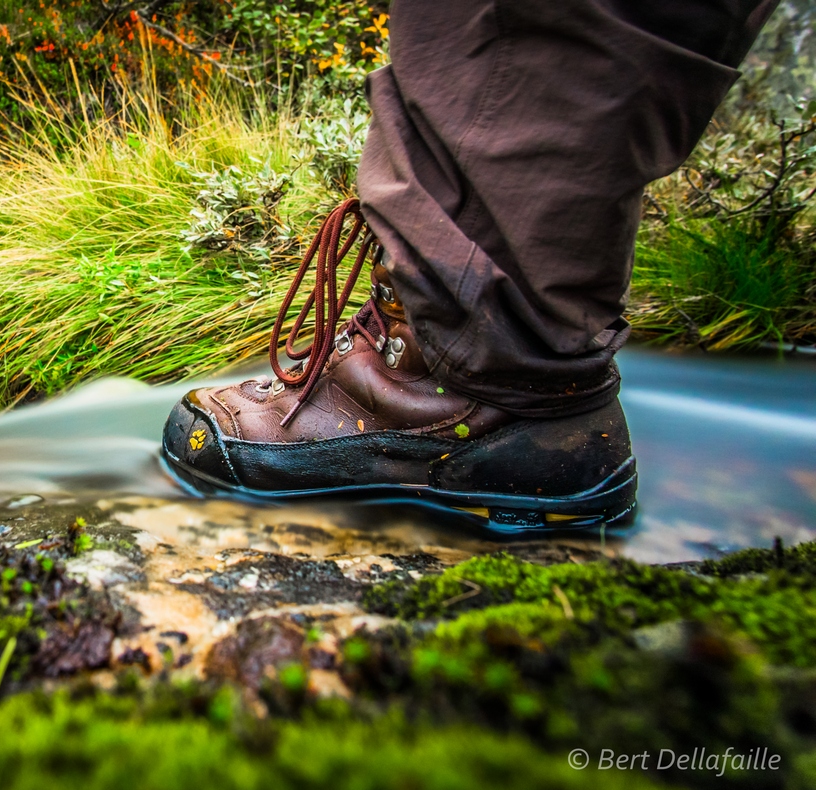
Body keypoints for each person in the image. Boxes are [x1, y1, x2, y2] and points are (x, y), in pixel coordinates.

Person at [161, 0, 779, 531]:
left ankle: (466, 386)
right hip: (543, 383)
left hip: (498, 383)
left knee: (531, 33)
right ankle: (530, 404)